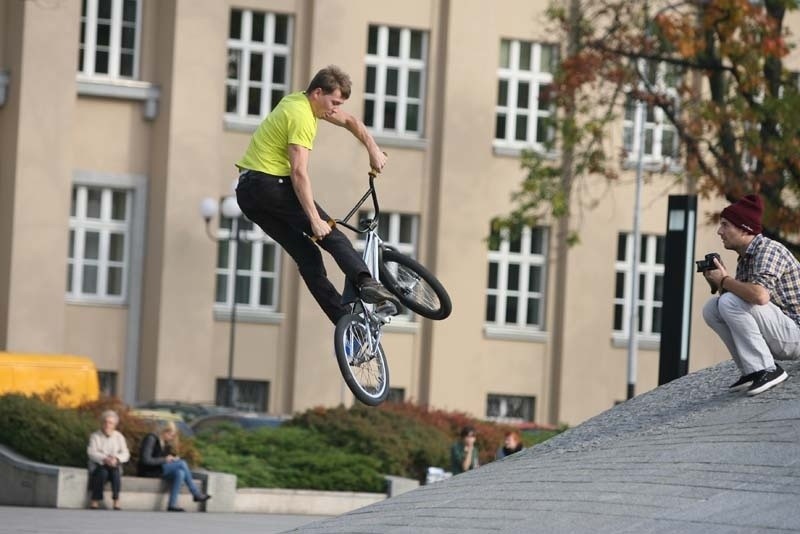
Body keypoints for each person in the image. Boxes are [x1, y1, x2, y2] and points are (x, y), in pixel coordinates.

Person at [235, 65, 400, 327]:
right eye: (333, 102)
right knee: (331, 234)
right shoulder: (301, 117)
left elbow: (350, 121)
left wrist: (373, 150)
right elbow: (299, 173)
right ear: (318, 92)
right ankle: (366, 282)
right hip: (269, 185)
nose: (335, 109)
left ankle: (345, 323)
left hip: (247, 195)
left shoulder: (300, 101)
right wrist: (314, 219)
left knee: (307, 256)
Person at [702, 194, 800, 396]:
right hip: (782, 333)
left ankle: (767, 369)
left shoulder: (769, 250)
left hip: (796, 333)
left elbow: (760, 297)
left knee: (728, 300)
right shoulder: (746, 257)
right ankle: (751, 370)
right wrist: (719, 282)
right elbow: (741, 306)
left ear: (744, 228)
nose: (720, 231)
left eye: (725, 225)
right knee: (712, 307)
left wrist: (724, 280)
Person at [137, 421, 210, 512]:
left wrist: (172, 459)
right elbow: (146, 460)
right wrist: (165, 460)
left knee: (180, 473)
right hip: (148, 470)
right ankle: (195, 493)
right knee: (182, 463)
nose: (171, 438)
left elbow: (166, 458)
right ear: (164, 432)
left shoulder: (165, 443)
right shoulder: (151, 438)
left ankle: (172, 504)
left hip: (159, 469)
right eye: (171, 435)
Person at [86, 409, 130, 510]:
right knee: (102, 473)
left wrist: (116, 459)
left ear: (114, 425)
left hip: (114, 465)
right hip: (99, 464)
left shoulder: (119, 437)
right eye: (105, 422)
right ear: (102, 423)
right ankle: (95, 500)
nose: (107, 425)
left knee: (115, 473)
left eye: (110, 423)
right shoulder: (95, 436)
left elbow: (126, 453)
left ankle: (116, 500)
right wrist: (105, 458)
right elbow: (91, 452)